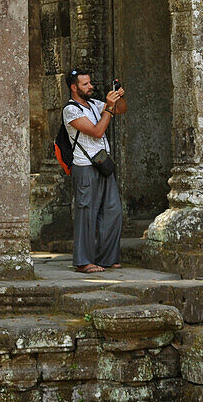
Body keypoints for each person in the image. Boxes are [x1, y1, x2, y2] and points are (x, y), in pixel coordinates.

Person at [64, 69, 126, 274]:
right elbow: (98, 131)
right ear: (74, 88)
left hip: (102, 164)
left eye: (90, 83)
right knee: (86, 213)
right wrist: (108, 106)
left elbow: (120, 110)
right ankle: (83, 261)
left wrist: (118, 98)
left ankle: (107, 257)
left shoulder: (93, 104)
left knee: (113, 211)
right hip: (85, 167)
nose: (90, 87)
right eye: (85, 84)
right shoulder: (71, 110)